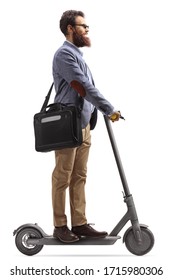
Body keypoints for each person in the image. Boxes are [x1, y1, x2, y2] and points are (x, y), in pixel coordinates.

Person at [52, 10, 121, 243]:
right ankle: (60, 226)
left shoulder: (78, 55)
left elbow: (84, 89)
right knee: (63, 176)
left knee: (79, 175)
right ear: (70, 29)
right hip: (67, 125)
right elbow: (82, 86)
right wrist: (108, 108)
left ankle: (79, 223)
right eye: (83, 26)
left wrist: (97, 112)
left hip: (83, 125)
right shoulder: (64, 55)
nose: (87, 29)